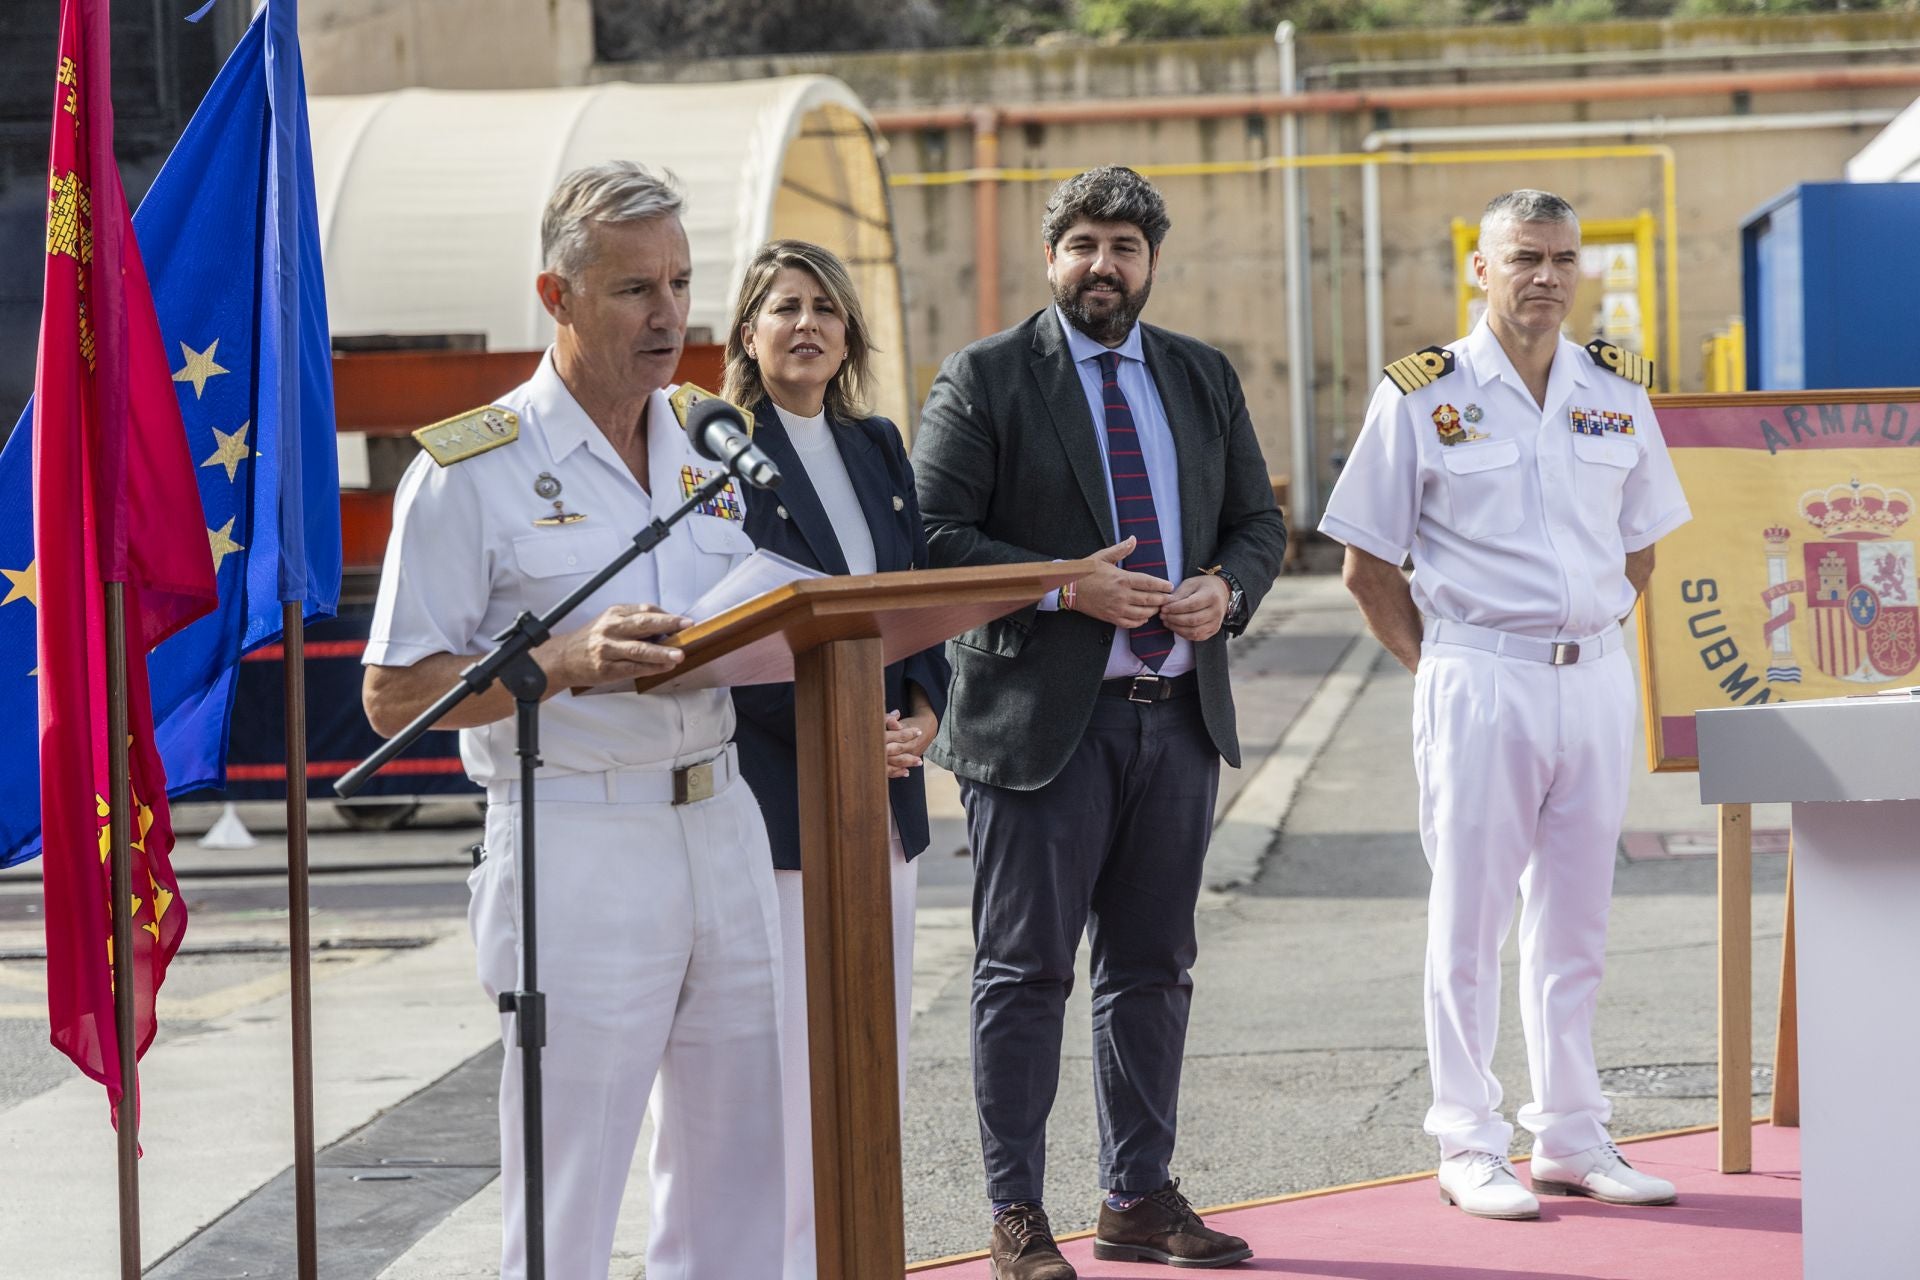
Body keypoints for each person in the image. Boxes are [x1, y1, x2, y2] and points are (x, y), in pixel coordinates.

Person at [361, 162, 782, 1280]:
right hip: (576, 834)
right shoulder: (473, 468)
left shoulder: (710, 442)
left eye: (683, 283)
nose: (668, 315)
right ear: (556, 295)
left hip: (723, 818)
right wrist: (564, 660)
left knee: (745, 1157)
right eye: (635, 288)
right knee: (571, 1174)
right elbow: (395, 694)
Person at [912, 165, 1287, 1279]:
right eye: (1082, 243)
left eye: (1124, 245)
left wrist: (1230, 587)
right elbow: (933, 536)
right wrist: (1063, 584)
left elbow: (1258, 520)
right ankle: (1017, 1213)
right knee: (1023, 973)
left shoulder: (1200, 375)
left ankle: (1136, 1195)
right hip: (1040, 729)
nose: (1103, 265)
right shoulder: (985, 379)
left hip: (1174, 717)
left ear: (1152, 262)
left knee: (1153, 968)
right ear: (1050, 257)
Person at [1320, 189, 1692, 1222]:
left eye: (1563, 257)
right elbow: (1364, 563)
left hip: (1592, 674)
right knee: (1471, 918)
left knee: (1577, 918)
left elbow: (1642, 539)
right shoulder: (1424, 393)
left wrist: (1587, 636)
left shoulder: (1616, 389)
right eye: (1525, 256)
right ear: (1481, 269)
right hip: (1479, 675)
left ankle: (1571, 1133)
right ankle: (1466, 1137)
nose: (1547, 276)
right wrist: (1442, 668)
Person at [720, 239, 951, 1280]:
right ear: (747, 332)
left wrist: (920, 715)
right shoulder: (721, 452)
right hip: (784, 798)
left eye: (824, 306)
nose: (806, 323)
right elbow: (734, 630)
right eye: (783, 306)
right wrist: (842, 726)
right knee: (789, 1062)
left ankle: (862, 1254)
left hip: (885, 791)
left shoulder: (877, 446)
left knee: (876, 1053)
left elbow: (914, 605)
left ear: (849, 331)